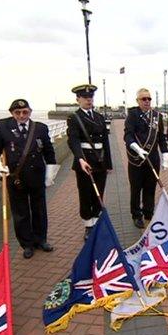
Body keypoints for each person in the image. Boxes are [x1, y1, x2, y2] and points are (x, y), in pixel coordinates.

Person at [0, 99, 56, 259]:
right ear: (12, 113)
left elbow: (49, 153)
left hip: (37, 176)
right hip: (15, 178)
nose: (21, 115)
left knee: (39, 210)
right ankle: (27, 244)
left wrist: (50, 175)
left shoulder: (40, 128)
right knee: (21, 213)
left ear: (30, 112)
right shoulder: (2, 126)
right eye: (17, 112)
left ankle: (41, 240)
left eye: (25, 112)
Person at [67, 84, 113, 240]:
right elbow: (73, 141)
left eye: (90, 97)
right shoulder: (74, 118)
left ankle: (96, 221)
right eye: (85, 97)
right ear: (78, 99)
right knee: (86, 194)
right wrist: (80, 159)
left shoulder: (99, 117)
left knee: (98, 193)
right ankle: (88, 225)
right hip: (85, 161)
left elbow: (106, 142)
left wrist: (109, 163)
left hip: (100, 161)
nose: (88, 100)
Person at [124, 88, 168, 229]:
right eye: (143, 99)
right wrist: (137, 149)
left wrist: (165, 156)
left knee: (150, 188)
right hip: (136, 159)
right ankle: (136, 215)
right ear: (137, 101)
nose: (147, 101)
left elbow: (161, 137)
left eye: (149, 99)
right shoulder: (132, 115)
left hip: (153, 158)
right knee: (136, 188)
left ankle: (148, 212)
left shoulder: (157, 116)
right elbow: (128, 135)